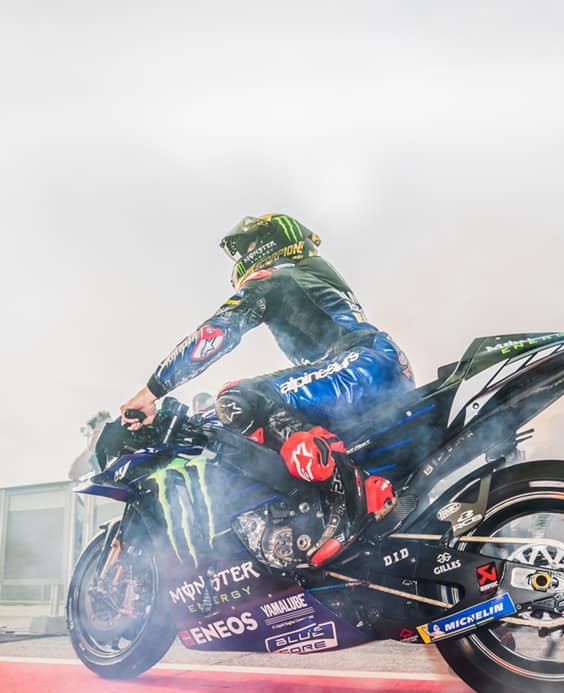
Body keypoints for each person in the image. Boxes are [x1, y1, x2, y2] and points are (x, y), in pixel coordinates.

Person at [121, 214, 413, 566]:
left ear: (273, 242)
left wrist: (151, 391)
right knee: (247, 417)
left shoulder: (277, 274)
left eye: (249, 246)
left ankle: (348, 497)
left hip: (361, 363)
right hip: (371, 368)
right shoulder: (310, 272)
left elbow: (217, 333)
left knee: (238, 400)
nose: (244, 257)